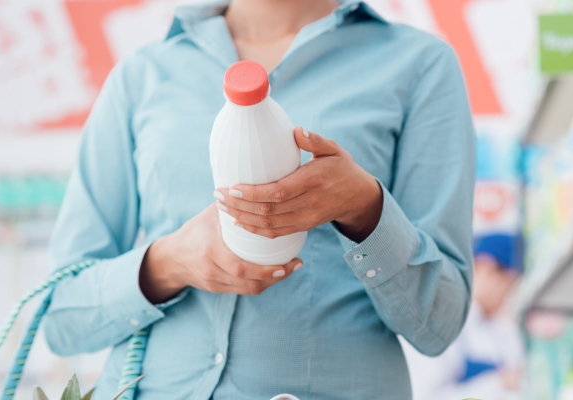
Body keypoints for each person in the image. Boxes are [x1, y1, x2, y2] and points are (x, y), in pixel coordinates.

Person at [42, 0, 476, 398]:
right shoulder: (143, 75)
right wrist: (168, 262)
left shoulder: (419, 64)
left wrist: (363, 208)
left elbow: (439, 326)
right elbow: (62, 318)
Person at [401, 234, 525, 400]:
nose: (510, 294)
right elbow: (424, 396)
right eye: (511, 284)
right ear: (486, 269)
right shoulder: (438, 323)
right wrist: (498, 383)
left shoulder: (504, 331)